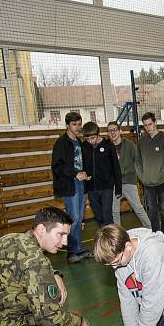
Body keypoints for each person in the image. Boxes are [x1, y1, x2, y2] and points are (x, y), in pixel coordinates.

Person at [51, 112, 93, 263]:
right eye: (74, 124)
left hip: (82, 183)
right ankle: (71, 252)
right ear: (67, 125)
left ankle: (79, 249)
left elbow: (82, 162)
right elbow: (57, 166)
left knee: (79, 218)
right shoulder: (61, 143)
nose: (77, 127)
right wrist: (75, 174)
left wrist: (86, 173)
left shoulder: (80, 142)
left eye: (79, 124)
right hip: (70, 184)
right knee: (73, 219)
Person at [136, 112, 164, 240]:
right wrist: (142, 177)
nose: (148, 127)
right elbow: (138, 161)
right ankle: (156, 238)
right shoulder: (142, 141)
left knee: (163, 210)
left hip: (162, 182)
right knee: (152, 212)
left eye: (150, 124)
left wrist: (162, 176)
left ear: (155, 122)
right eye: (145, 125)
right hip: (147, 184)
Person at [108, 121, 152, 229]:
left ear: (120, 131)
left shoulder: (129, 145)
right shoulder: (107, 147)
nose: (113, 133)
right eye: (110, 131)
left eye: (115, 130)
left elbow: (137, 161)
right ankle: (118, 234)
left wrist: (123, 172)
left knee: (138, 207)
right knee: (114, 211)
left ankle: (150, 229)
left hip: (129, 182)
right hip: (114, 184)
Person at [82, 121, 122, 228]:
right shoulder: (84, 146)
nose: (90, 141)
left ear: (98, 134)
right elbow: (82, 166)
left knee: (107, 215)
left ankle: (111, 240)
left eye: (92, 138)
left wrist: (118, 188)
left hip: (107, 187)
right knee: (99, 216)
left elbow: (116, 167)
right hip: (91, 188)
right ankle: (104, 238)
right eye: (87, 139)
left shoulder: (108, 145)